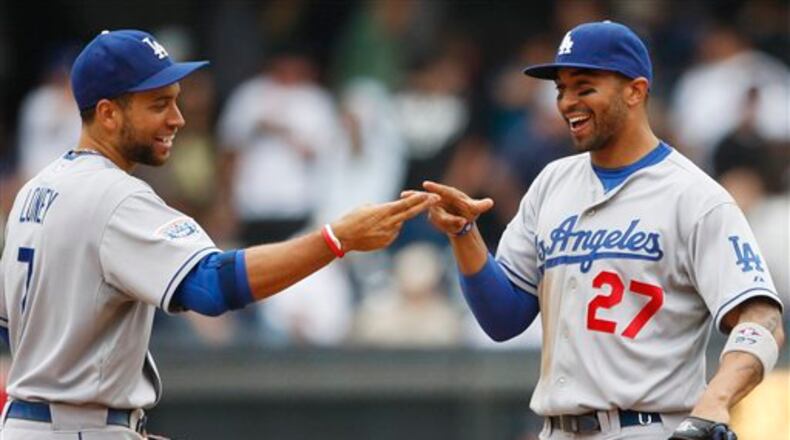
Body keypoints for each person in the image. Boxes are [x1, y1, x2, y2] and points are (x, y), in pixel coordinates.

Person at [0, 29, 437, 440]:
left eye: (175, 101)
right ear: (108, 114)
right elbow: (213, 286)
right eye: (158, 104)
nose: (178, 119)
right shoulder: (116, 196)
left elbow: (9, 330)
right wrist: (335, 239)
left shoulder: (33, 192)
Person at [418, 21, 784, 440]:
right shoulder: (552, 183)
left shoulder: (696, 197)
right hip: (557, 429)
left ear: (635, 91)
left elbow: (763, 318)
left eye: (584, 87)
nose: (566, 102)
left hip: (649, 427)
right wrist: (464, 234)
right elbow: (503, 319)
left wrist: (716, 400)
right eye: (561, 89)